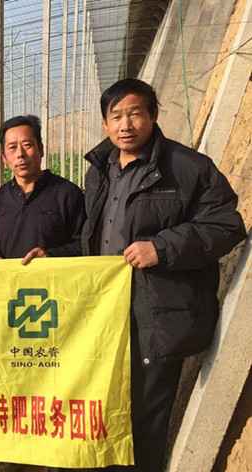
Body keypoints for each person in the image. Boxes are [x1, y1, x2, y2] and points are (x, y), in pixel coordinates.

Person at [81, 78, 246, 471]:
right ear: (105, 123)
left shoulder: (188, 168)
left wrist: (161, 248)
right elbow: (93, 236)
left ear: (153, 115)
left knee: (145, 417)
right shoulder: (100, 171)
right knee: (110, 407)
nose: (126, 125)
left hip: (157, 314)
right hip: (109, 313)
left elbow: (226, 226)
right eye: (116, 116)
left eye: (135, 113)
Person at [0, 115, 85, 264]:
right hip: (10, 278)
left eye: (27, 145)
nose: (20, 154)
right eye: (12, 147)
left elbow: (83, 243)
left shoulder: (68, 193)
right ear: (4, 157)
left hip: (53, 277)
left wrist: (50, 255)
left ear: (41, 149)